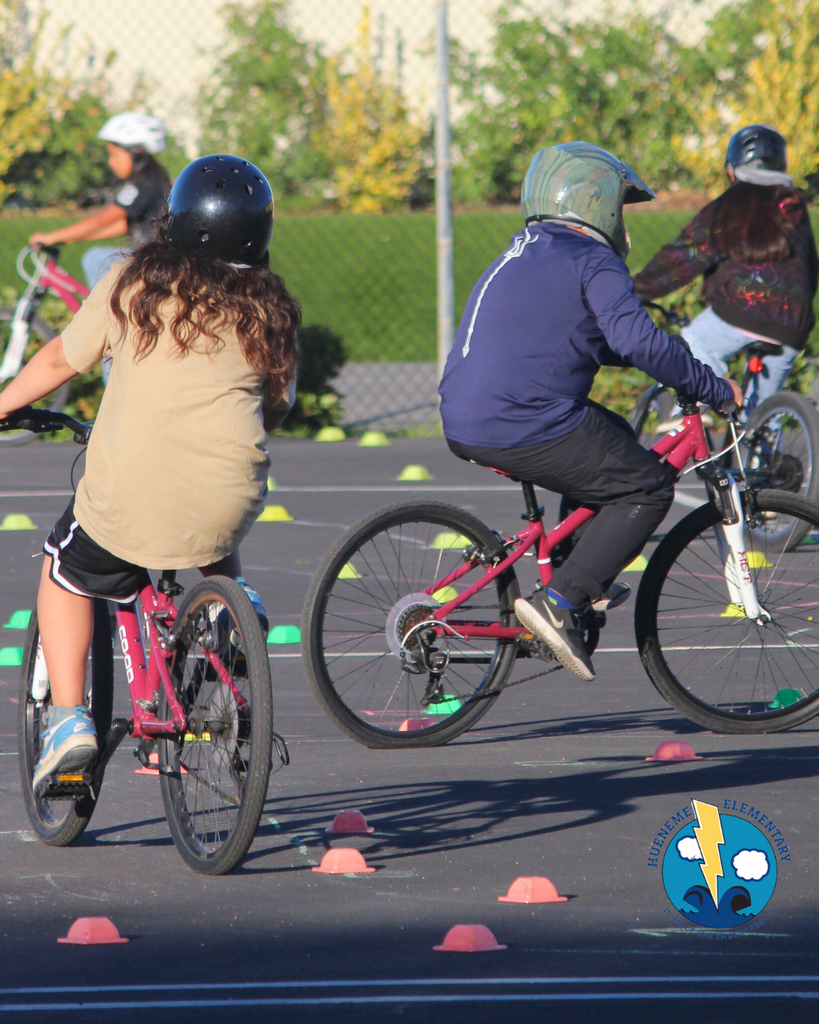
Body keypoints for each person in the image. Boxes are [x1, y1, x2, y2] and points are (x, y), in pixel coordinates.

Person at [0, 154, 299, 791]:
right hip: (231, 496)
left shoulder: (132, 283)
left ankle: (67, 719)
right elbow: (275, 407)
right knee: (214, 534)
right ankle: (227, 615)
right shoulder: (270, 308)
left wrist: (4, 402)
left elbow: (60, 359)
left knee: (64, 569)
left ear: (178, 221)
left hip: (132, 494)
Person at [438, 142, 741, 682]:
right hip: (523, 420)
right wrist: (708, 384)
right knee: (647, 488)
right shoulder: (592, 258)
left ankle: (581, 571)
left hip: (469, 414)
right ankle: (562, 598)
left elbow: (586, 337)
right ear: (595, 203)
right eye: (619, 205)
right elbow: (638, 340)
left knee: (613, 435)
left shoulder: (525, 250)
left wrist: (638, 354)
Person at [634, 124, 819, 427]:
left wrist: (636, 289)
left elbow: (684, 257)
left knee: (695, 342)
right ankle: (764, 464)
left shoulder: (731, 203)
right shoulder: (793, 206)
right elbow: (810, 270)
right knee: (762, 416)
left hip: (741, 310)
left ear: (732, 170)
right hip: (792, 324)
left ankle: (691, 409)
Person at [28, 112, 172, 289]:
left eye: (115, 155)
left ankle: (104, 315)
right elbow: (122, 226)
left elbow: (103, 220)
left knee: (95, 258)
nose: (111, 163)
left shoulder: (143, 182)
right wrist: (69, 239)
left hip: (154, 261)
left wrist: (51, 237)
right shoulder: (152, 177)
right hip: (154, 257)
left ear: (136, 153)